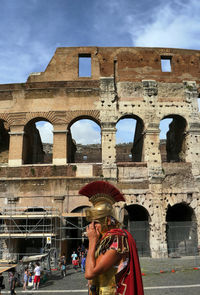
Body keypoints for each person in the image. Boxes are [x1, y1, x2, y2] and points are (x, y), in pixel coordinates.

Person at [79, 180, 144, 295]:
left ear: (108, 221)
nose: (92, 227)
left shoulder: (117, 240)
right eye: (91, 223)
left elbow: (89, 273)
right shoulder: (104, 240)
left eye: (97, 222)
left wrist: (92, 242)